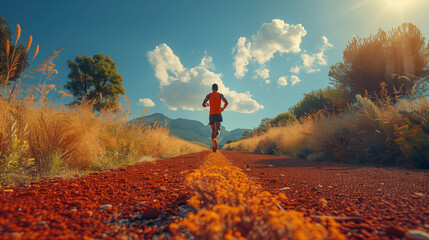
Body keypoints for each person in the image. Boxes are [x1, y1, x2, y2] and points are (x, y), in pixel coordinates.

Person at [202, 83, 228, 152]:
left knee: (213, 131)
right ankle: (215, 139)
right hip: (218, 114)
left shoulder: (208, 95)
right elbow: (226, 102)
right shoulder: (220, 95)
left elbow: (203, 104)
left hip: (211, 115)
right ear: (217, 89)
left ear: (212, 89)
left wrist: (207, 105)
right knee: (218, 131)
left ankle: (213, 146)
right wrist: (223, 108)